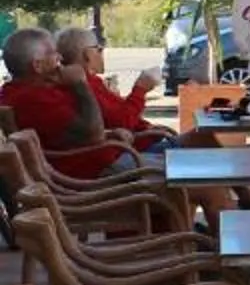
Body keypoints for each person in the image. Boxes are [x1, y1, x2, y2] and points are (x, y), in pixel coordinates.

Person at [0, 25, 127, 177]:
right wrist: (80, 84)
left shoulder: (27, 90)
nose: (60, 58)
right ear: (37, 65)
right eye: (53, 54)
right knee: (162, 174)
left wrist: (110, 133)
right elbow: (94, 134)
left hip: (102, 162)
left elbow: (68, 135)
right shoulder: (33, 99)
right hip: (92, 174)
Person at [53, 27, 171, 159]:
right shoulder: (84, 84)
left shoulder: (91, 81)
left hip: (134, 146)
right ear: (87, 54)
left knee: (193, 140)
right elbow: (122, 122)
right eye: (99, 49)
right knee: (193, 146)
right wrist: (140, 89)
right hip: (126, 153)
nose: (102, 53)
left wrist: (149, 128)